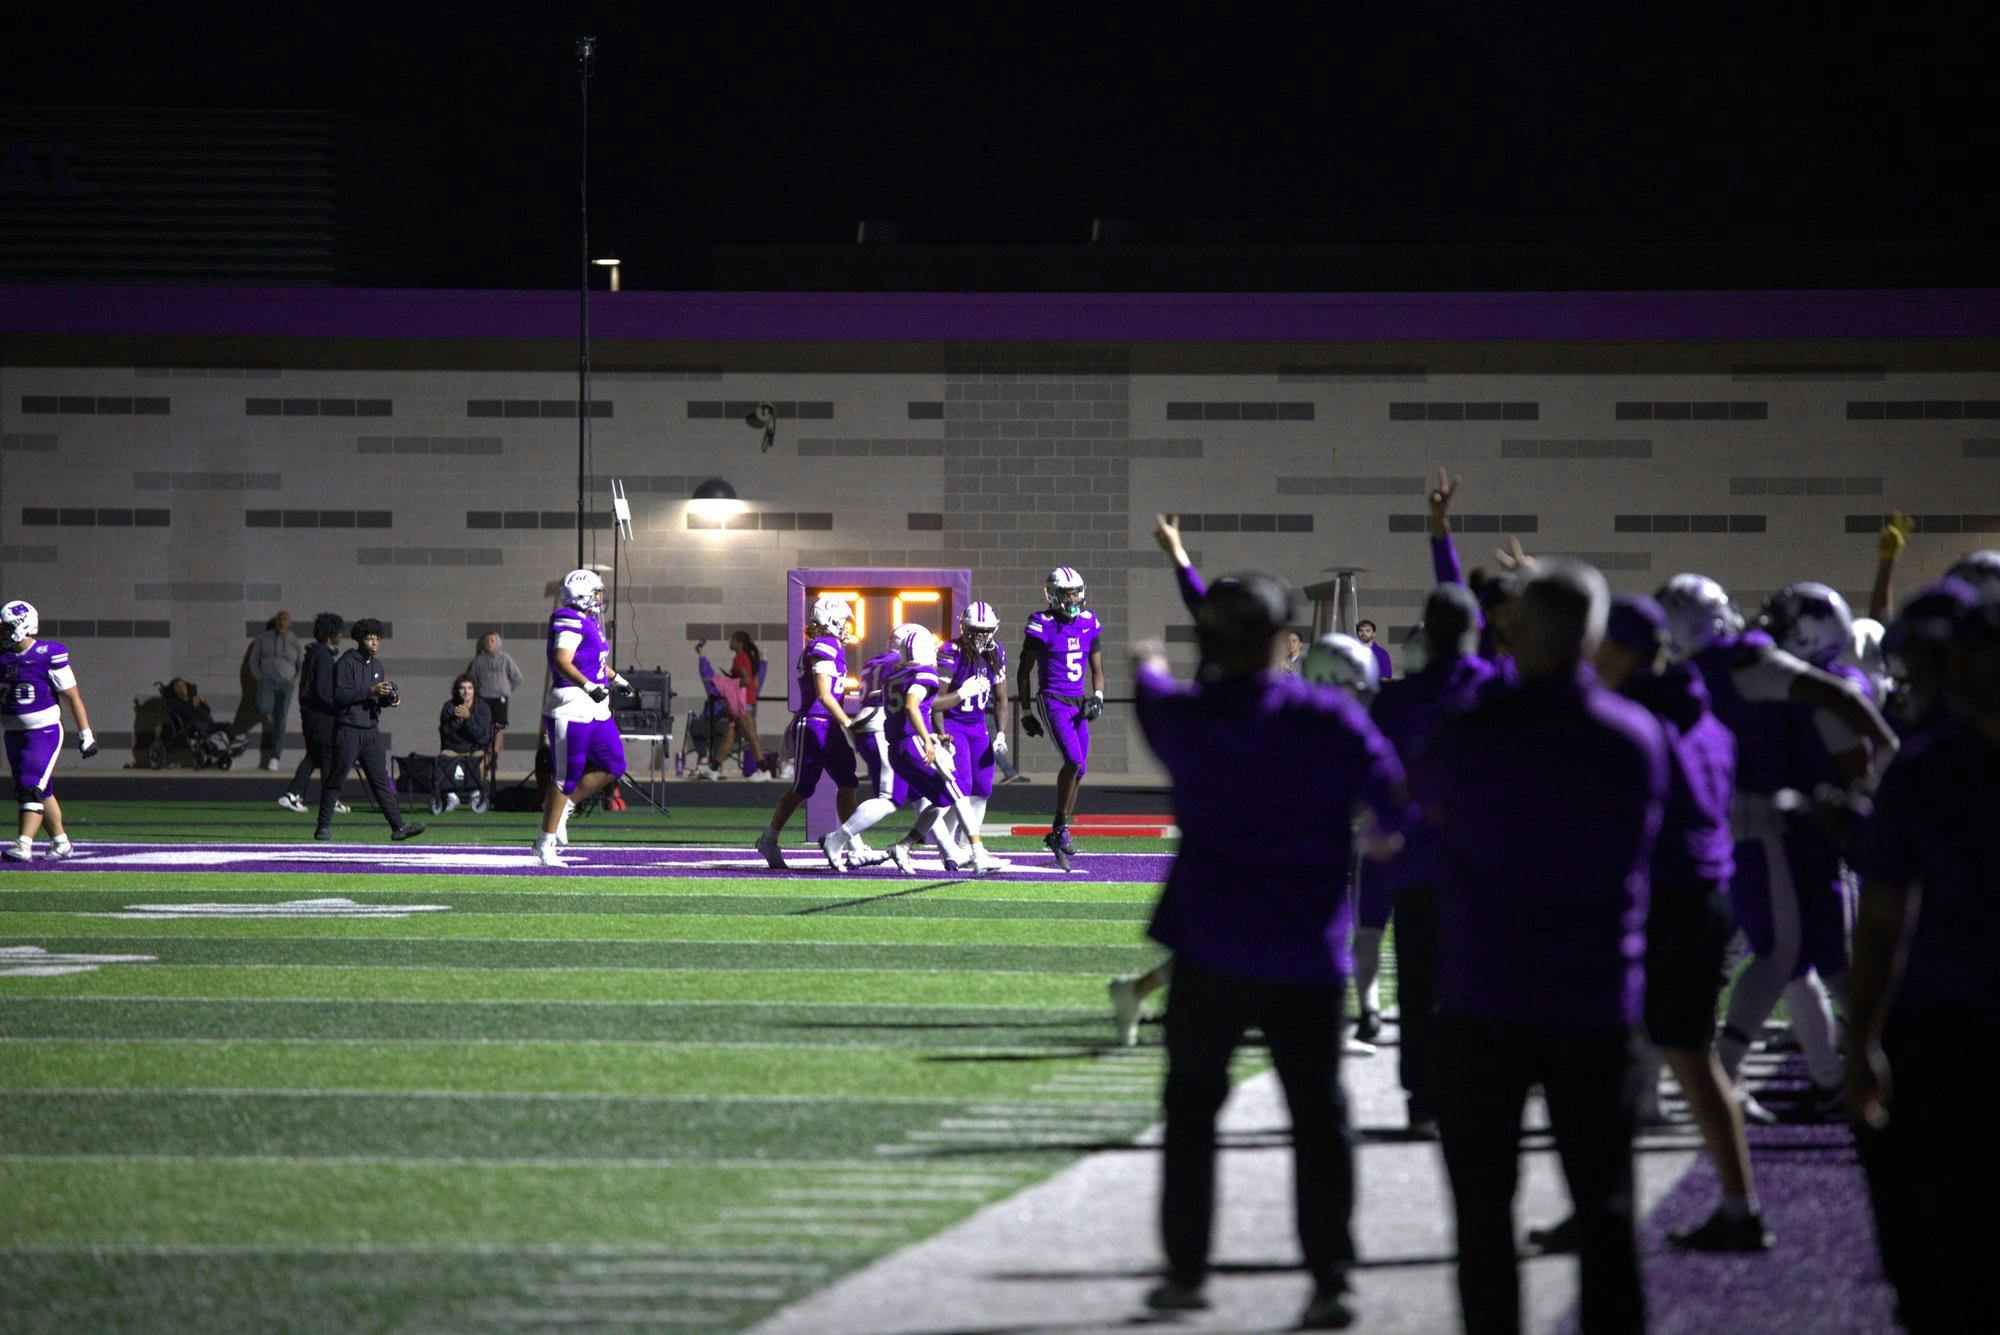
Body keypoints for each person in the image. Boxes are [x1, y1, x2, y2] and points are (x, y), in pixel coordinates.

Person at [1133, 573, 1414, 1330]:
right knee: (1320, 1119)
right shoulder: (1327, 718)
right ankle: (1330, 1278)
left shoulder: (1185, 716)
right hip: (1305, 946)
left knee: (1191, 1113)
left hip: (1210, 943)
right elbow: (1394, 796)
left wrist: (1146, 662)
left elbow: (1153, 686)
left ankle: (1186, 1272)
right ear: (1280, 638)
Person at [1422, 561, 1667, 1335]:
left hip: (1483, 991)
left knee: (1484, 1217)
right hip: (1592, 995)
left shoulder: (1470, 729)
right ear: (1595, 638)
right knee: (1605, 1210)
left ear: (1514, 630)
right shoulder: (1632, 735)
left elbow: (1435, 834)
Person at [1529, 594, 1770, 1255]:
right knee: (1687, 1059)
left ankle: (1606, 1210)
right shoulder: (1703, 714)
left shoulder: (1633, 719)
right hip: (1703, 895)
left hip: (1659, 900)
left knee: (1611, 1061)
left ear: (1619, 650)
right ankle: (1735, 1205)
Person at [1659, 573, 1897, 1121]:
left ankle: (1825, 1072)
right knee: (1791, 954)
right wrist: (1890, 755)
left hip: (1758, 828)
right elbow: (1840, 713)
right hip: (1773, 827)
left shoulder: (1702, 671)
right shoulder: (1751, 666)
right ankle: (1739, 1073)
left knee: (1802, 955)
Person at [1846, 586, 1999, 1332]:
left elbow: (1882, 923)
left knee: (1936, 1260)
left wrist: (1860, 1040)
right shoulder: (1925, 768)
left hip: (1942, 1030)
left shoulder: (1926, 771)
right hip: (1941, 1026)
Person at [1369, 582, 1498, 1136]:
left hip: (1417, 860)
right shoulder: (1496, 689)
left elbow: (1375, 777)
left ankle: (1422, 1100)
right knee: (1481, 984)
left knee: (1419, 988)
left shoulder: (1395, 699)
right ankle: (1476, 1092)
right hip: (1483, 865)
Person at [755, 597, 864, 870]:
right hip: (816, 723)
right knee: (803, 788)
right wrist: (849, 725)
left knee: (848, 783)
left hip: (829, 724)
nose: (848, 627)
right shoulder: (824, 645)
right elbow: (825, 696)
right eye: (844, 621)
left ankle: (855, 845)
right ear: (831, 621)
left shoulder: (831, 645)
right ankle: (769, 839)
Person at [534, 569, 630, 867]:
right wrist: (588, 686)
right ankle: (544, 844)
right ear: (582, 593)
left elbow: (593, 660)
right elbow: (562, 661)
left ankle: (566, 807)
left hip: (595, 705)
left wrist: (616, 679)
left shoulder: (588, 620)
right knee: (565, 777)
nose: (600, 597)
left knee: (614, 764)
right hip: (571, 704)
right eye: (596, 591)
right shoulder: (569, 618)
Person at [1018, 566, 1104, 871]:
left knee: (1080, 769)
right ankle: (1059, 827)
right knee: (1073, 761)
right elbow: (1023, 671)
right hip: (1053, 699)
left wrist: (1098, 696)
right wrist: (1026, 711)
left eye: (1077, 592)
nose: (1074, 598)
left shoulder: (1088, 621)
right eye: (1068, 593)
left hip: (1078, 701)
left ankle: (1061, 829)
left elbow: (1097, 668)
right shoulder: (1041, 623)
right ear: (1054, 595)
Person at [2, 599, 97, 861]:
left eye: (7, 627)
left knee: (30, 786)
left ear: (23, 626)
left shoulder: (47, 654)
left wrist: (85, 733)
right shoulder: (3, 657)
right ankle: (61, 842)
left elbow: (72, 696)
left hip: (43, 732)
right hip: (13, 734)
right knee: (41, 790)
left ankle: (23, 844)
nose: (3, 632)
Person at [315, 618, 425, 843]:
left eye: (377, 639)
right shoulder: (346, 663)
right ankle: (323, 826)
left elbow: (374, 699)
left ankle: (398, 826)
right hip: (348, 731)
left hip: (371, 732)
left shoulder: (377, 666)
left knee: (381, 781)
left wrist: (387, 700)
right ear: (359, 640)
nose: (374, 643)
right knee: (336, 779)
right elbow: (339, 696)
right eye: (369, 638)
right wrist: (370, 690)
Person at [277, 613, 350, 816]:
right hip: (321, 717)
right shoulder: (323, 657)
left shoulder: (314, 653)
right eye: (339, 631)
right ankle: (325, 799)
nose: (342, 635)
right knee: (327, 756)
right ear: (331, 633)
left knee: (316, 757)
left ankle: (296, 794)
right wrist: (339, 707)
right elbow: (323, 691)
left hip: (311, 716)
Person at [704, 631, 773, 781]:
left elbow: (746, 681)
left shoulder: (740, 658)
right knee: (730, 735)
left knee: (751, 735)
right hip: (744, 702)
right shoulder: (745, 658)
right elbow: (752, 681)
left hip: (743, 703)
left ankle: (764, 770)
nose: (730, 642)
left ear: (739, 642)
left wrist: (724, 682)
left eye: (732, 639)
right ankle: (714, 768)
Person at [465, 632, 524, 782]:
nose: (489, 643)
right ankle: (485, 757)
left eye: (492, 640)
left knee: (499, 728)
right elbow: (471, 678)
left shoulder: (505, 659)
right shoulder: (478, 661)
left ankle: (494, 758)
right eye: (487, 641)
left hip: (500, 699)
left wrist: (506, 690)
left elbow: (517, 677)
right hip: (484, 698)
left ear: (497, 642)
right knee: (485, 728)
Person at [248, 610, 303, 771]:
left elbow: (301, 665)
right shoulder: (263, 638)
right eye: (280, 618)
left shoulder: (295, 641)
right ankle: (269, 710)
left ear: (290, 622)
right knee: (262, 707)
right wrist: (259, 677)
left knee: (281, 720)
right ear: (276, 621)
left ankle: (275, 757)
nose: (282, 621)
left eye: (286, 618)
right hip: (267, 682)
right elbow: (253, 660)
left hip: (286, 685)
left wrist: (294, 682)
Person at [437, 673, 494, 812]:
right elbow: (446, 733)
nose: (466, 691)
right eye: (462, 688)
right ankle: (450, 796)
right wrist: (457, 721)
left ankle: (475, 794)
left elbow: (483, 737)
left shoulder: (482, 708)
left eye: (470, 688)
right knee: (443, 757)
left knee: (478, 757)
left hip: (475, 747)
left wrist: (468, 718)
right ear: (457, 690)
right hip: (454, 746)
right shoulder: (449, 707)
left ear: (474, 690)